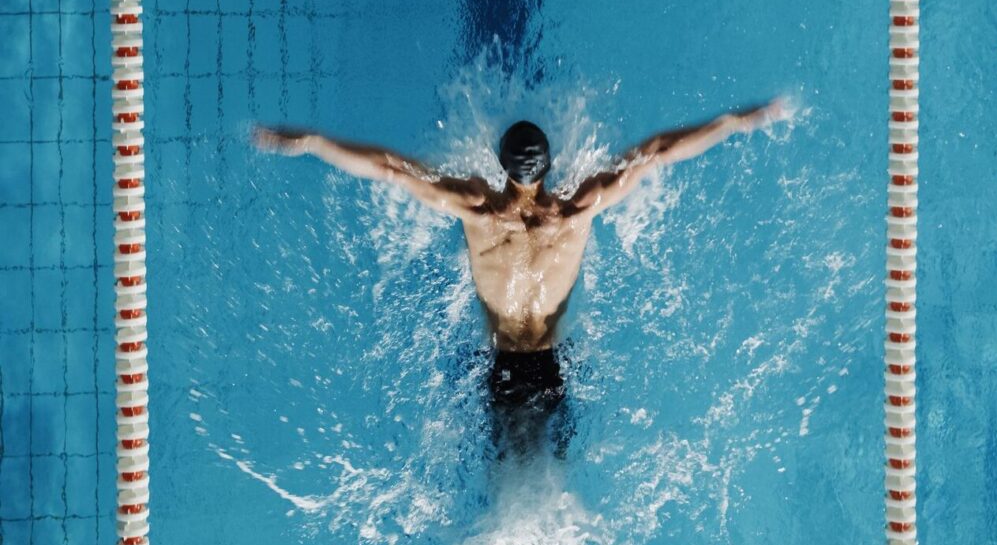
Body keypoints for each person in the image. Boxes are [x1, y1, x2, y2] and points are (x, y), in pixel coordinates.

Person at [253, 99, 788, 456]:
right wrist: (735, 123)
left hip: (503, 368)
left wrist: (313, 143)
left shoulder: (477, 210)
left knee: (507, 478)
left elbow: (391, 168)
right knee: (549, 482)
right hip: (552, 368)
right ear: (550, 166)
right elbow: (657, 153)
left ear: (502, 166)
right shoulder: (580, 209)